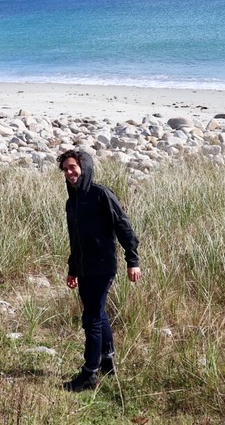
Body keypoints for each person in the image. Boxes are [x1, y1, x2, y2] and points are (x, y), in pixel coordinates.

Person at [57, 149, 141, 392]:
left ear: (84, 167)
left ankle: (89, 374)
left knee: (91, 318)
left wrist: (132, 260)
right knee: (98, 313)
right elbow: (76, 239)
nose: (69, 173)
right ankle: (107, 361)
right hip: (84, 267)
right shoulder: (72, 202)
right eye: (65, 169)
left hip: (103, 266)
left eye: (73, 167)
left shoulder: (101, 194)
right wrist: (73, 269)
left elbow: (124, 226)